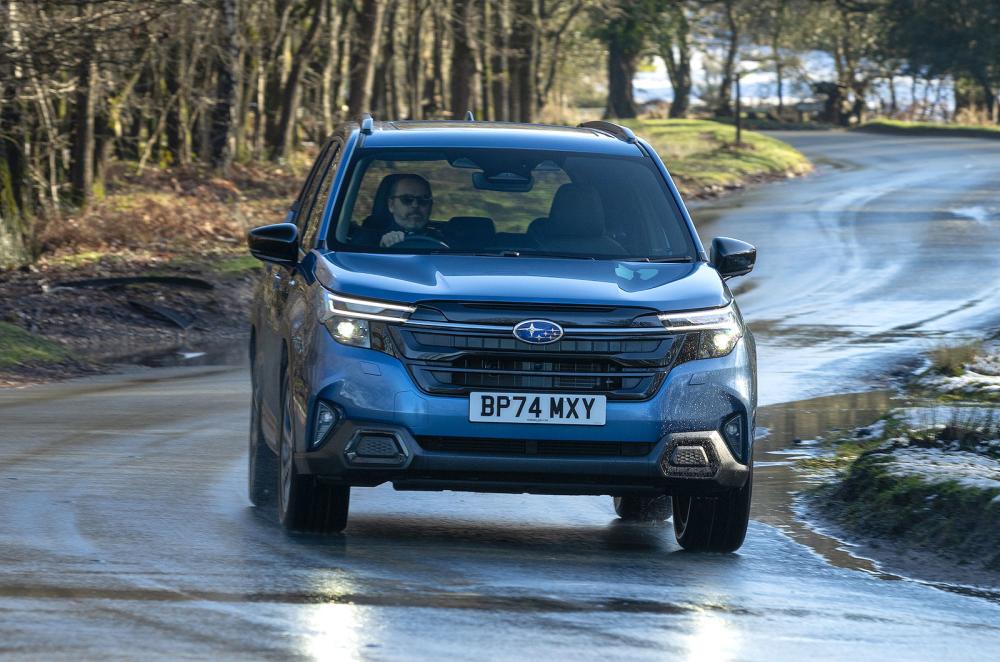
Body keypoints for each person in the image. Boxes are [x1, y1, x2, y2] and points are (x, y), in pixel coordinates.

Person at [355, 174, 444, 248]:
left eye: (423, 199)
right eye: (407, 199)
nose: (415, 205)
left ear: (431, 204)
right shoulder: (366, 240)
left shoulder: (447, 237)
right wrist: (381, 249)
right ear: (391, 205)